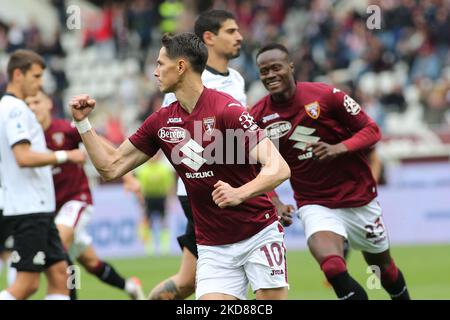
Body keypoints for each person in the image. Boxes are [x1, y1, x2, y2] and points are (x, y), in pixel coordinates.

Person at [69, 32, 291, 300]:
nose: (155, 72)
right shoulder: (160, 122)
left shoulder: (227, 110)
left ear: (182, 66)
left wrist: (239, 193)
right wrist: (83, 123)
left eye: (161, 64)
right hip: (212, 246)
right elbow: (110, 167)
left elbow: (278, 167)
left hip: (258, 234)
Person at [249, 44, 410, 300]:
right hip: (315, 203)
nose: (270, 75)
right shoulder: (257, 116)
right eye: (263, 71)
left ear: (291, 67)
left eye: (276, 67)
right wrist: (275, 201)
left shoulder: (325, 96)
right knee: (333, 267)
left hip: (359, 200)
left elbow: (372, 131)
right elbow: (253, 167)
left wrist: (338, 148)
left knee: (385, 271)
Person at [149, 9, 246, 300]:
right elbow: (172, 134)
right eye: (231, 31)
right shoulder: (184, 86)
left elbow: (243, 138)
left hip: (235, 187)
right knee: (240, 267)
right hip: (204, 191)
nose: (239, 36)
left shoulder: (237, 79)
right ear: (209, 38)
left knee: (186, 281)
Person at [25, 90, 146, 300]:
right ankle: (130, 287)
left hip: (76, 200)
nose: (32, 106)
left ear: (48, 105)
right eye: (28, 103)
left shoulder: (63, 129)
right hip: (51, 209)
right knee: (91, 263)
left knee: (56, 247)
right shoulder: (26, 138)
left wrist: (127, 177)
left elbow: (96, 141)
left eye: (37, 101)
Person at [0, 50, 84, 300]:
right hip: (29, 210)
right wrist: (65, 155)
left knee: (60, 275)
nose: (40, 84)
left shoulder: (15, 107)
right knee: (26, 285)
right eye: (36, 77)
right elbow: (23, 157)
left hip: (40, 209)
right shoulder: (14, 109)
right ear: (18, 74)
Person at [136, 151, 175, 256]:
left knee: (163, 222)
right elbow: (140, 188)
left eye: (155, 155)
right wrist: (141, 201)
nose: (153, 157)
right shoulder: (143, 170)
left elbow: (169, 186)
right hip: (148, 198)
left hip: (161, 197)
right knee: (147, 223)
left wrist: (169, 200)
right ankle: (149, 248)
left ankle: (165, 247)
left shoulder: (164, 169)